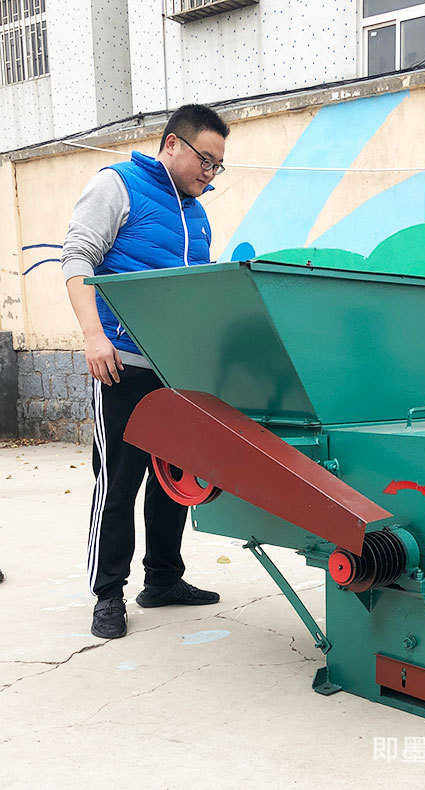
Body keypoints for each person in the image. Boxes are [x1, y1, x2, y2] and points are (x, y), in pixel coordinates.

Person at [61, 104, 230, 639]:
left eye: (218, 165)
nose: (210, 172)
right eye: (205, 159)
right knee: (118, 482)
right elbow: (77, 260)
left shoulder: (197, 213)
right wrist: (94, 338)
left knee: (171, 480)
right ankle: (108, 594)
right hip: (122, 367)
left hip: (177, 373)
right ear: (172, 144)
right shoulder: (118, 185)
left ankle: (163, 579)